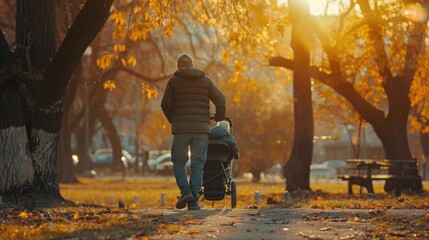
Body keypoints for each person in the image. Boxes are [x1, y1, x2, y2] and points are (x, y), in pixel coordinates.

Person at [161, 54, 226, 210]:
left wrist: (174, 120)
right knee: (198, 165)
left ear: (178, 67)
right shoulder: (205, 81)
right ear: (192, 65)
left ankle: (185, 191)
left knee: (178, 162)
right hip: (201, 130)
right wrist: (219, 117)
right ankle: (193, 201)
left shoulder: (173, 82)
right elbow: (221, 99)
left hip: (181, 129)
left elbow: (165, 104)